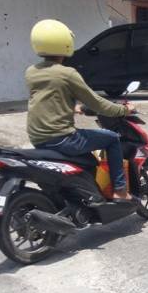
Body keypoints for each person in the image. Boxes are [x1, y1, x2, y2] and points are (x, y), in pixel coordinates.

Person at [25, 19, 136, 202]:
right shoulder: (68, 73)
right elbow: (97, 103)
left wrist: (70, 107)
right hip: (63, 139)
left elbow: (48, 95)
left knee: (89, 160)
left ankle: (84, 194)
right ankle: (120, 190)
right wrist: (124, 110)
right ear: (65, 43)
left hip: (38, 138)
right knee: (112, 139)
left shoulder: (31, 72)